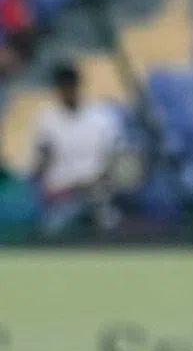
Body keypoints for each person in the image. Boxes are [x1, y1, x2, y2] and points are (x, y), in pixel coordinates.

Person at [31, 62, 125, 237]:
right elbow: (43, 158)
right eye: (62, 88)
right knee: (56, 226)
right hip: (63, 194)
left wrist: (101, 181)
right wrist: (41, 187)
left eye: (69, 86)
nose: (67, 92)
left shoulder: (101, 116)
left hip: (96, 192)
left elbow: (116, 157)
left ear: (77, 85)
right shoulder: (47, 117)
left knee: (108, 222)